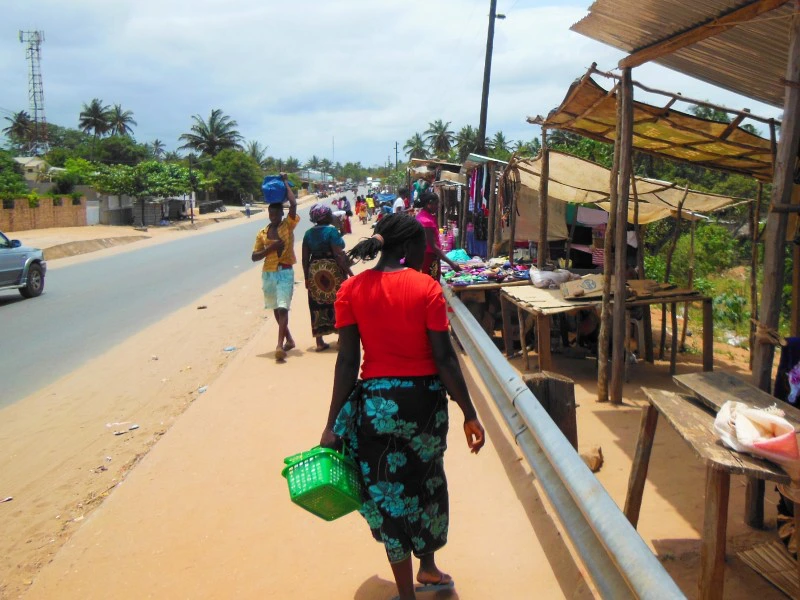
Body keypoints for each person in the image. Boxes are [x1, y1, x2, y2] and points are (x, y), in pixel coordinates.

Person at [320, 213, 485, 600]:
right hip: (425, 403)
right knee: (426, 482)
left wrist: (332, 424)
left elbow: (346, 362)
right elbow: (444, 359)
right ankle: (428, 566)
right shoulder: (426, 288)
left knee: (388, 494)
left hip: (378, 405)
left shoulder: (352, 290)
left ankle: (408, 590)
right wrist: (469, 413)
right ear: (410, 248)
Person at [251, 174, 298, 362]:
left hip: (285, 271)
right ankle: (289, 339)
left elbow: (293, 204)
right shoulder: (262, 233)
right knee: (275, 309)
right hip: (268, 274)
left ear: (281, 214)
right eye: (271, 214)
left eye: (277, 214)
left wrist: (285, 182)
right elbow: (254, 256)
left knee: (283, 307)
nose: (274, 217)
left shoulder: (288, 226)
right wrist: (270, 248)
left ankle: (279, 345)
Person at [302, 204, 353, 351]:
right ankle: (340, 339)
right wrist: (349, 272)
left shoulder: (308, 233)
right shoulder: (331, 231)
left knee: (317, 303)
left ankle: (319, 341)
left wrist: (306, 277)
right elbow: (338, 254)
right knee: (338, 302)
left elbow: (305, 258)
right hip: (332, 270)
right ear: (326, 217)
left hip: (315, 271)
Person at [415, 191, 461, 280]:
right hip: (429, 258)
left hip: (424, 256)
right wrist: (451, 263)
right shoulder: (426, 221)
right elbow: (433, 246)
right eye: (436, 204)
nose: (438, 206)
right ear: (429, 204)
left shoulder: (422, 216)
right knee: (432, 283)